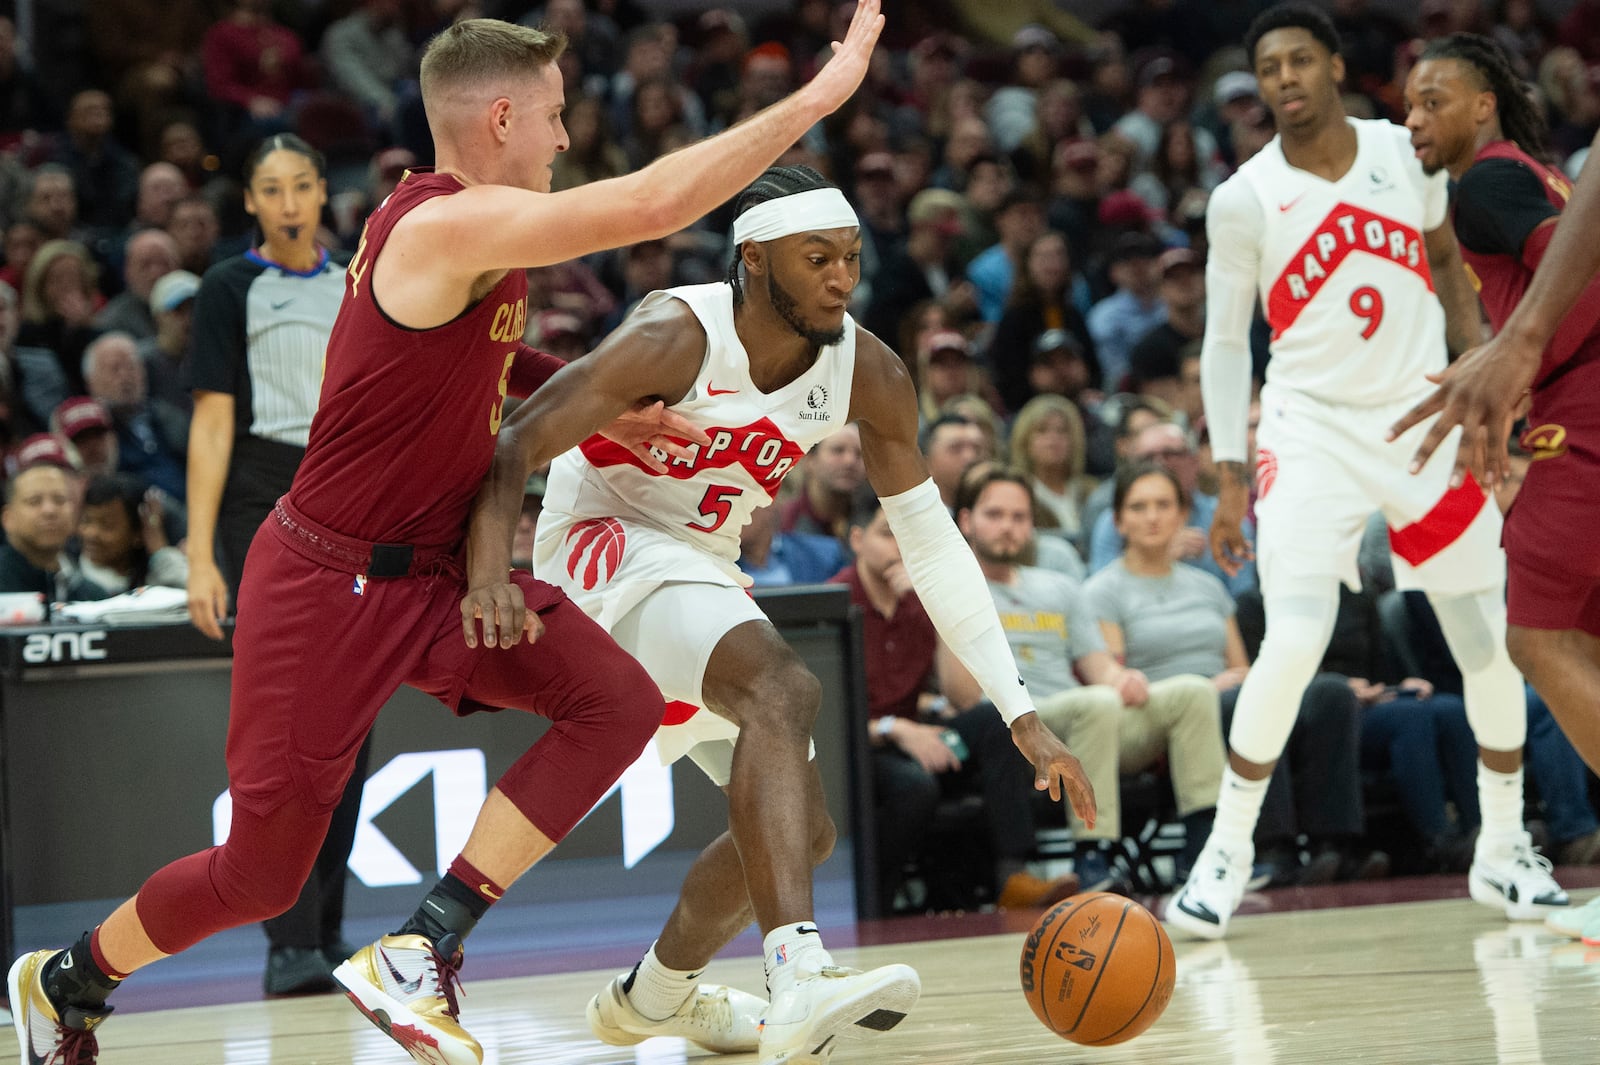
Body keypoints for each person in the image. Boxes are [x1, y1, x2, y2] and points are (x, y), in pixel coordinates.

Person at [6, 9, 888, 1065]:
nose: (565, 139)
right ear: (502, 116)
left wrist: (586, 404)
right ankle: (68, 980)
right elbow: (654, 202)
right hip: (325, 585)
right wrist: (817, 100)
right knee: (261, 876)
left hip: (429, 572)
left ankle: (422, 947)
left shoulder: (450, 236)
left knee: (610, 704)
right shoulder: (441, 226)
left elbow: (458, 359)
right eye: (555, 117)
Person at [461, 163, 1094, 1064]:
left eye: (850, 257)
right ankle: (796, 973)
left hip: (699, 561)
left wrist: (1020, 711)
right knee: (782, 686)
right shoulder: (674, 334)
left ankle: (654, 994)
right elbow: (518, 438)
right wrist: (491, 572)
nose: (843, 277)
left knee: (805, 828)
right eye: (817, 259)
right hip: (604, 539)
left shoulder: (867, 369)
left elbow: (933, 544)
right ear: (755, 261)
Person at [1168, 4, 1566, 942]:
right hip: (1308, 434)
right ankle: (1224, 853)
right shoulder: (1244, 197)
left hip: (1424, 422)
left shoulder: (1405, 152)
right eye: (1268, 68)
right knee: (1296, 636)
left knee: (1487, 634)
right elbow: (1226, 347)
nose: (1284, 79)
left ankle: (1503, 849)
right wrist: (1231, 474)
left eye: (1300, 59)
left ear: (1336, 67)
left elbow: (1445, 266)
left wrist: (1480, 389)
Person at [1397, 34, 1600, 867]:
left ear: (1484, 104)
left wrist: (1516, 355)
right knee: (1578, 638)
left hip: (1582, 405)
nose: (1414, 118)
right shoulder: (1534, 172)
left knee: (1535, 636)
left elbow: (1577, 279)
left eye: (1433, 100)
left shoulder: (1481, 182)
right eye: (1407, 103)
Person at [183, 134, 371, 997]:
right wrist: (198, 553)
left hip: (350, 496)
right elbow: (214, 423)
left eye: (302, 185)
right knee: (289, 721)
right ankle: (287, 938)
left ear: (323, 192)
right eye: (271, 188)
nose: (290, 201)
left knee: (354, 722)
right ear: (250, 203)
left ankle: (323, 930)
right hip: (260, 504)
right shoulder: (230, 288)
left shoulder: (360, 282)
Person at [940, 463, 1222, 890]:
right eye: (994, 515)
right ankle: (1094, 855)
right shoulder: (951, 590)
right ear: (966, 521)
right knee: (1097, 704)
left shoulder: (1059, 587)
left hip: (1086, 723)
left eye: (1018, 517)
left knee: (1192, 692)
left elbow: (1099, 668)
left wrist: (1122, 678)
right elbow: (963, 696)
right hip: (1014, 733)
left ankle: (1203, 856)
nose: (1007, 527)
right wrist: (952, 604)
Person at [831, 492, 1078, 914]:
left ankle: (1013, 880)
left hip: (919, 735)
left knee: (994, 723)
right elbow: (829, 720)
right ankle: (877, 906)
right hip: (861, 746)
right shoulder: (837, 599)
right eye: (888, 535)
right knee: (914, 786)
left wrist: (937, 608)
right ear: (857, 540)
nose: (900, 549)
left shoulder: (918, 600)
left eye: (907, 539)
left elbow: (963, 697)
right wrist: (896, 729)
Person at [76, 472, 188, 593]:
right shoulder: (71, 574)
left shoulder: (152, 578)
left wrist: (160, 551)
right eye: (86, 521)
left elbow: (188, 589)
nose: (91, 533)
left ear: (138, 533)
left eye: (107, 526)